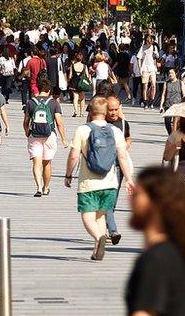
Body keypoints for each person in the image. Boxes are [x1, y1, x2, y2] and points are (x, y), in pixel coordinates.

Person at [125, 166, 185, 316]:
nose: (129, 198)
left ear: (157, 203)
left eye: (137, 193)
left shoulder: (155, 258)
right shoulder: (179, 252)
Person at [64, 97, 134, 260]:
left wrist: (68, 174)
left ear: (90, 111)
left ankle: (98, 237)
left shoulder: (82, 130)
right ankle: (97, 251)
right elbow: (122, 157)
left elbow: (73, 156)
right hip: (109, 182)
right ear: (105, 112)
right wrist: (129, 179)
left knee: (87, 215)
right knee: (101, 216)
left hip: (88, 183)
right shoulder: (115, 131)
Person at [24, 78, 68, 197]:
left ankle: (38, 187)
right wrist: (64, 138)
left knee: (36, 162)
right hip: (50, 135)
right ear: (49, 90)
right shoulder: (54, 103)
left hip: (34, 134)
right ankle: (46, 187)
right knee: (47, 163)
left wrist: (27, 131)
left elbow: (26, 121)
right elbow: (59, 122)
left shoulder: (30, 102)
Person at [104, 96, 133, 245]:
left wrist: (125, 145)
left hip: (119, 165)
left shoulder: (123, 123)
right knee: (107, 199)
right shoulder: (98, 123)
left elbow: (129, 138)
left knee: (112, 199)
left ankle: (106, 225)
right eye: (111, 110)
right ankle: (112, 230)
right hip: (102, 165)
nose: (114, 113)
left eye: (116, 109)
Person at [159, 69, 184, 135]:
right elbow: (163, 94)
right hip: (168, 105)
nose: (170, 74)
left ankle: (175, 136)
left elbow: (184, 95)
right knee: (167, 122)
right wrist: (161, 105)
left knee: (176, 122)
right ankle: (170, 134)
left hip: (177, 105)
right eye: (169, 73)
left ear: (175, 74)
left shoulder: (180, 83)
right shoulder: (166, 83)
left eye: (172, 73)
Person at [136, 36, 159, 108]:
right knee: (145, 86)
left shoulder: (154, 47)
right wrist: (140, 68)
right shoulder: (143, 47)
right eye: (147, 41)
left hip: (152, 68)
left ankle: (151, 101)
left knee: (153, 85)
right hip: (145, 68)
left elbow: (157, 57)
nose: (148, 42)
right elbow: (139, 58)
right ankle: (145, 101)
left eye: (150, 41)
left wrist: (155, 53)